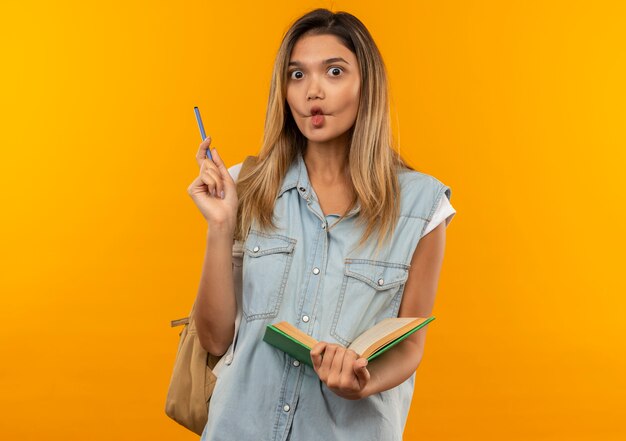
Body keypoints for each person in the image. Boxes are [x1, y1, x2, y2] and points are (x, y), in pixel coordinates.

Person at [186, 8, 456, 441]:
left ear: (366, 84)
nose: (313, 91)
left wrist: (363, 381)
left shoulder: (423, 206)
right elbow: (216, 340)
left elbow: (410, 345)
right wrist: (220, 227)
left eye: (334, 71)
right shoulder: (244, 186)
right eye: (297, 75)